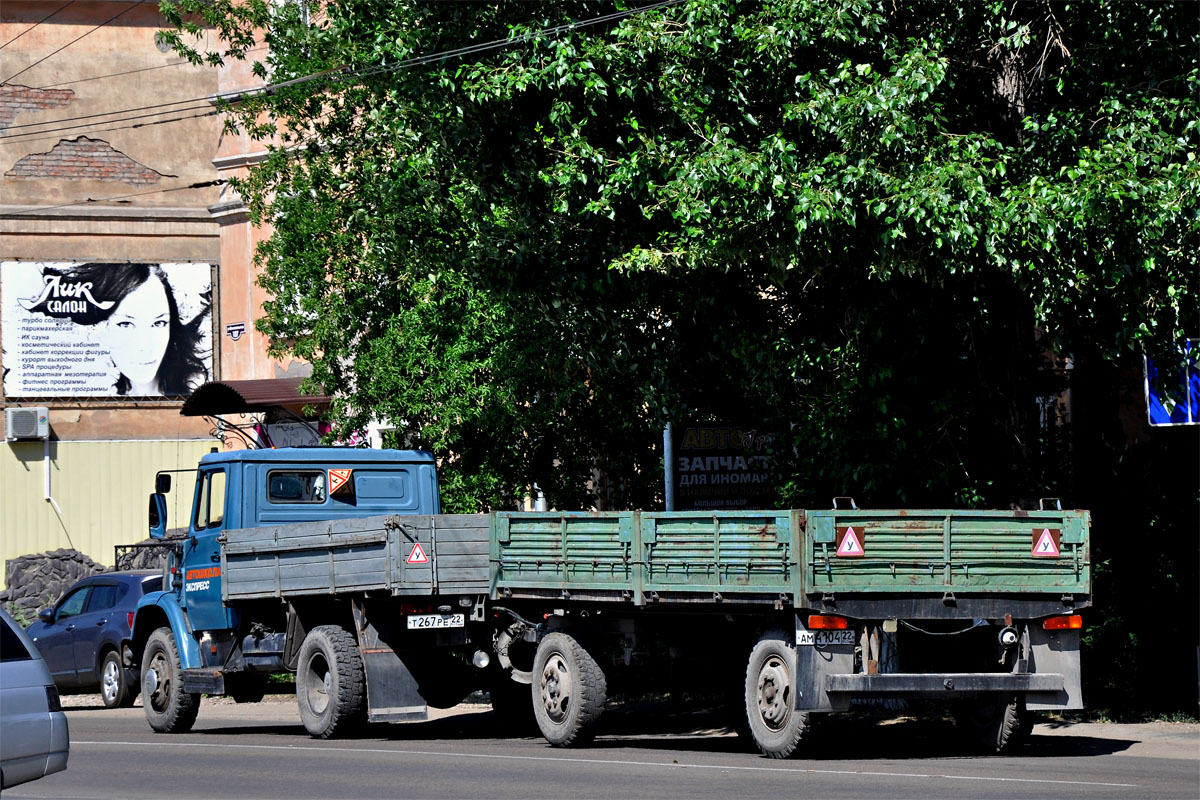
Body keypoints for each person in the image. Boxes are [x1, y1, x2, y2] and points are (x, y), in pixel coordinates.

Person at [52, 263, 210, 396]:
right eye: (125, 324)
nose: (145, 346)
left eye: (159, 323)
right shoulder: (88, 390)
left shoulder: (196, 387)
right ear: (98, 328)